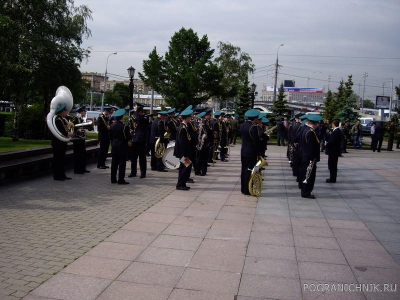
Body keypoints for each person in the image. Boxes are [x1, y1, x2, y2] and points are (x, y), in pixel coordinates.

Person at [300, 114, 322, 199]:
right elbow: (311, 147)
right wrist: (312, 158)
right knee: (309, 176)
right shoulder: (311, 132)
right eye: (317, 124)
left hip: (304, 156)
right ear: (315, 124)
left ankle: (304, 190)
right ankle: (306, 192)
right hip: (309, 157)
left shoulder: (305, 129)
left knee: (305, 174)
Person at [240, 109, 261, 195]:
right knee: (250, 170)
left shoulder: (243, 125)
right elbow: (255, 142)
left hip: (244, 150)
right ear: (255, 118)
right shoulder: (253, 127)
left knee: (244, 169)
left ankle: (243, 188)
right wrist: (258, 154)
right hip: (251, 152)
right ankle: (247, 189)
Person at [51, 104, 74, 181]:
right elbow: (60, 131)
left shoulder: (63, 119)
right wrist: (68, 134)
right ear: (62, 111)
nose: (67, 112)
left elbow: (66, 128)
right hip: (58, 143)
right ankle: (57, 175)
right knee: (58, 159)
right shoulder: (58, 120)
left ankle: (62, 174)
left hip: (62, 142)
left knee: (62, 159)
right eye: (65, 111)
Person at [110, 109, 131, 184]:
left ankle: (113, 179)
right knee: (122, 163)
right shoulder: (124, 127)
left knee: (114, 163)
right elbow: (127, 137)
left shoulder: (112, 125)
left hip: (114, 145)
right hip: (122, 146)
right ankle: (121, 179)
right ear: (122, 117)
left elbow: (111, 136)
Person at [174, 109, 194, 190]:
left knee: (186, 167)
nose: (191, 118)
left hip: (184, 152)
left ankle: (183, 183)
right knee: (185, 168)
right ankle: (180, 184)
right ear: (187, 118)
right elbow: (182, 143)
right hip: (183, 153)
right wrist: (185, 155)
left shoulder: (184, 127)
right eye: (190, 117)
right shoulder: (183, 128)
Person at [128, 106, 149, 178]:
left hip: (141, 140)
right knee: (133, 158)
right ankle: (133, 172)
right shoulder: (135, 119)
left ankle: (143, 173)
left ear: (140, 112)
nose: (134, 114)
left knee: (142, 158)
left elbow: (140, 119)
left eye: (136, 112)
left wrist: (136, 110)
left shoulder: (145, 117)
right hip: (134, 140)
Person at [72, 106, 90, 174]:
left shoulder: (81, 119)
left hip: (81, 139)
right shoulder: (75, 119)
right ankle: (77, 169)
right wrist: (77, 130)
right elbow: (72, 127)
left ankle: (82, 168)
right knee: (77, 155)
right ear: (81, 112)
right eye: (84, 111)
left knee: (83, 154)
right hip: (77, 140)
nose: (85, 112)